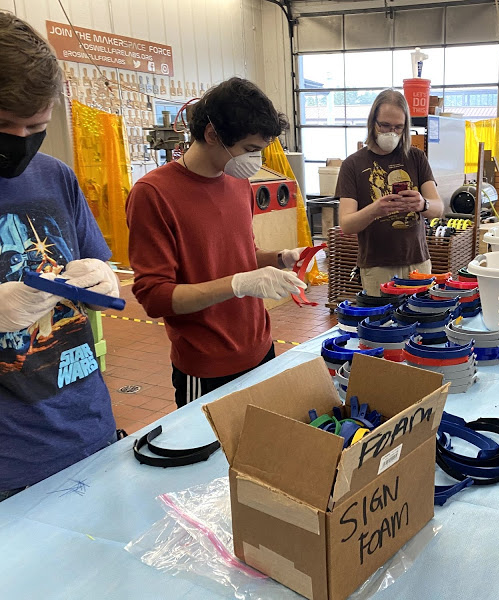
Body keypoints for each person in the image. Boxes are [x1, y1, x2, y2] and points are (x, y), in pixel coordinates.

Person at [126, 77, 306, 408]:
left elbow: (243, 257)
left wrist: (278, 258)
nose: (255, 161)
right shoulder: (153, 195)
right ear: (212, 135)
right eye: (250, 150)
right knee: (213, 456)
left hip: (260, 348)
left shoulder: (238, 184)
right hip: (206, 366)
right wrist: (239, 284)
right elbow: (155, 297)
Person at [0, 13, 120, 501]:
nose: (22, 139)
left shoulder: (55, 177)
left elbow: (95, 268)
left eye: (37, 126)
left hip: (89, 428)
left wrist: (100, 280)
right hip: (11, 465)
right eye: (6, 126)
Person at [336, 89, 444, 296]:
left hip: (418, 264)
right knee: (383, 324)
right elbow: (347, 224)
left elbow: (438, 208)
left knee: (419, 321)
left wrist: (423, 204)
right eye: (385, 125)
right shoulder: (352, 165)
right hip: (377, 267)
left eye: (398, 127)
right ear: (372, 123)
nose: (391, 132)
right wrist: (375, 210)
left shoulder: (416, 158)